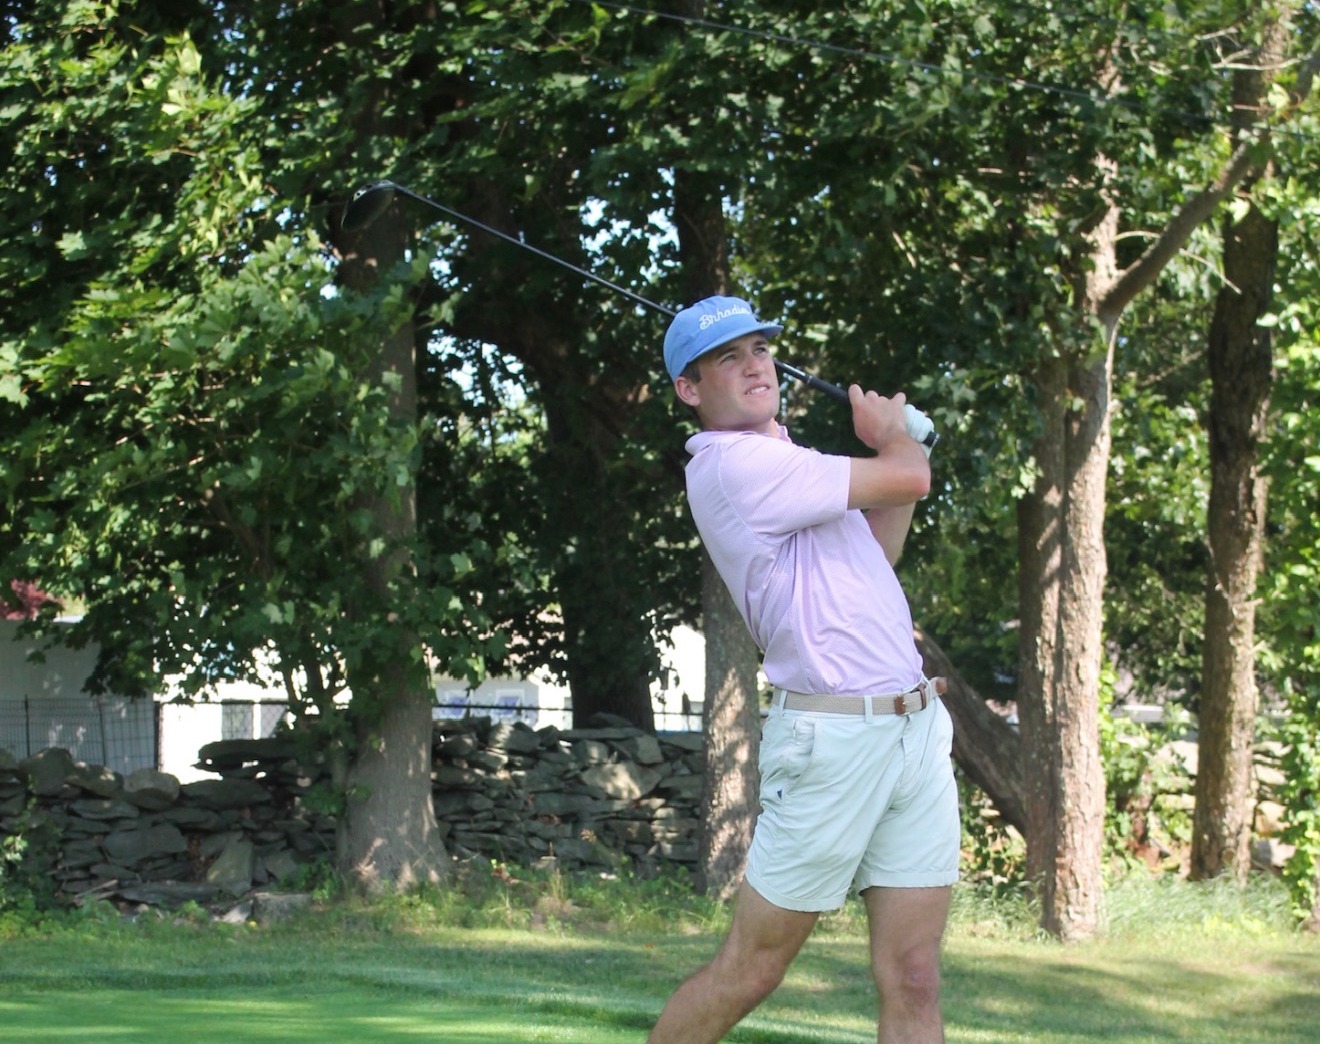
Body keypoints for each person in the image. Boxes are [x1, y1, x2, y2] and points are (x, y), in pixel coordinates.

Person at [649, 296, 959, 1044]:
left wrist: (894, 453)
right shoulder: (735, 465)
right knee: (753, 967)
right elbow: (910, 479)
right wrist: (893, 440)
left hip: (915, 731)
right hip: (833, 741)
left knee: (914, 975)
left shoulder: (793, 462)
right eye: (728, 357)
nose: (755, 364)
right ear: (690, 390)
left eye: (759, 348)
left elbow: (877, 551)